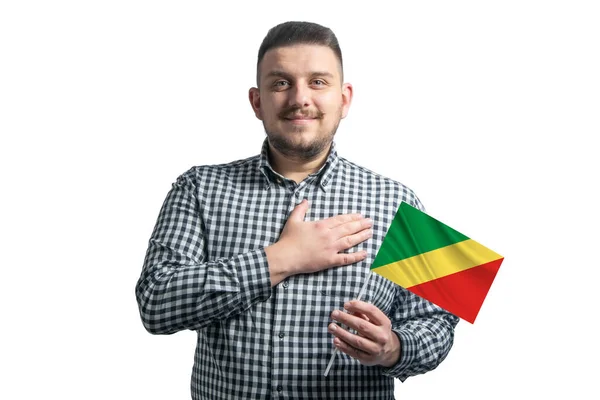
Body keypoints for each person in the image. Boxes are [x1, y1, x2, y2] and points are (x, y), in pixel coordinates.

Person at [135, 20, 459, 400]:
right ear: (257, 101)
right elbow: (155, 302)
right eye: (281, 83)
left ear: (345, 98)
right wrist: (280, 259)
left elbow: (441, 320)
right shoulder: (199, 187)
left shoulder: (397, 199)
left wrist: (394, 349)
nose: (300, 98)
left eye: (318, 82)